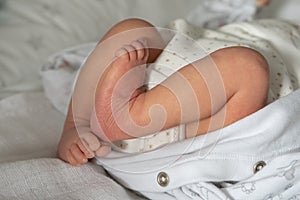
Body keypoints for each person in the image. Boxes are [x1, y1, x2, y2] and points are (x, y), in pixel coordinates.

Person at [57, 17, 270, 166]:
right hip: (155, 65)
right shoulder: (236, 22)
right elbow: (221, 12)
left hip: (196, 124)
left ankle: (136, 116)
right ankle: (77, 125)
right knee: (135, 29)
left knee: (250, 69)